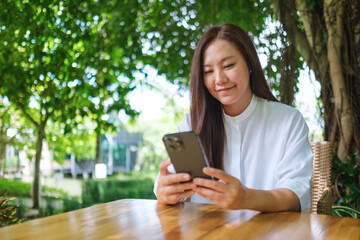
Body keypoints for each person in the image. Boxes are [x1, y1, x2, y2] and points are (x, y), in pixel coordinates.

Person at [153, 23, 313, 213]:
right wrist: (164, 191)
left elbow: (297, 195)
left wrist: (247, 198)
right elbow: (171, 183)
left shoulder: (288, 121)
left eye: (228, 65)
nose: (219, 79)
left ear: (250, 64)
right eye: (208, 71)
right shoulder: (191, 124)